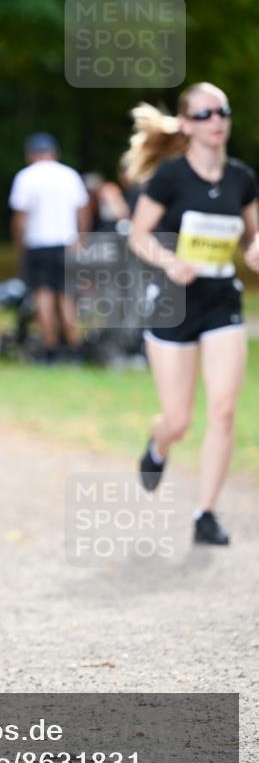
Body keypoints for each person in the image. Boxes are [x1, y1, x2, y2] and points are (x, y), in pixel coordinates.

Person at [126, 83, 259, 545]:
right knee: (178, 419)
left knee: (223, 411)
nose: (216, 120)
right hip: (173, 303)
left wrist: (255, 247)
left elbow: (252, 235)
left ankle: (205, 514)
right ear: (186, 125)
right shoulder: (170, 178)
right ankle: (157, 444)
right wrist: (169, 261)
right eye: (204, 114)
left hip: (222, 302)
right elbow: (139, 236)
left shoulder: (242, 178)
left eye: (221, 111)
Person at [9, 132, 89, 362]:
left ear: (31, 154)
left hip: (38, 243)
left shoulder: (25, 177)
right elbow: (82, 210)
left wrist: (19, 244)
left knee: (43, 296)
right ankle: (73, 348)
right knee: (67, 297)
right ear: (54, 152)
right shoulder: (69, 175)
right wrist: (81, 238)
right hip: (67, 242)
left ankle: (50, 347)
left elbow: (20, 217)